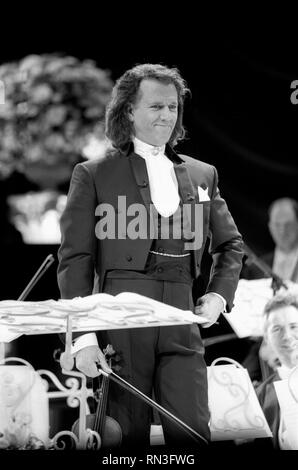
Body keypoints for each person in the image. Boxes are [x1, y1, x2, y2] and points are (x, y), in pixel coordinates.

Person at [57, 63, 244, 448]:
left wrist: (217, 294)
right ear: (129, 111)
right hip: (121, 319)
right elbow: (76, 260)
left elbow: (230, 245)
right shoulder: (93, 174)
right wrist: (83, 337)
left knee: (193, 433)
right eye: (156, 106)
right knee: (125, 439)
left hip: (181, 315)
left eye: (173, 107)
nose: (167, 115)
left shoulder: (203, 174)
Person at [242, 198, 298, 383]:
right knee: (243, 383)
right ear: (270, 226)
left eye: (288, 224)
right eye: (277, 225)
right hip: (264, 343)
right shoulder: (258, 266)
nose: (283, 231)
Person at [256, 293, 298, 449]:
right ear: (266, 338)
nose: (287, 336)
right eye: (277, 329)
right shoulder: (260, 395)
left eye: (294, 326)